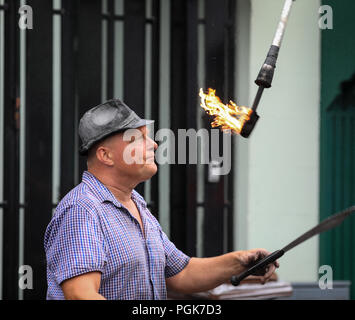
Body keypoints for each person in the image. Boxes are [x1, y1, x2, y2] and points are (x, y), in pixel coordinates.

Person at [44, 99, 279, 300]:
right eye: (137, 139)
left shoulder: (136, 203)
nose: (154, 144)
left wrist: (241, 262)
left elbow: (181, 274)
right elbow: (81, 294)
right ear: (106, 155)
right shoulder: (82, 209)